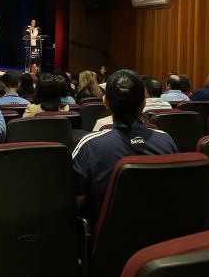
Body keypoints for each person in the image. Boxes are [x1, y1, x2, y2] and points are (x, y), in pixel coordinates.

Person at [72, 69, 178, 223]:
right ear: (143, 103)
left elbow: (74, 201)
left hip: (107, 235)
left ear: (105, 102)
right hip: (161, 230)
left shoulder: (89, 145)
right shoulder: (166, 140)